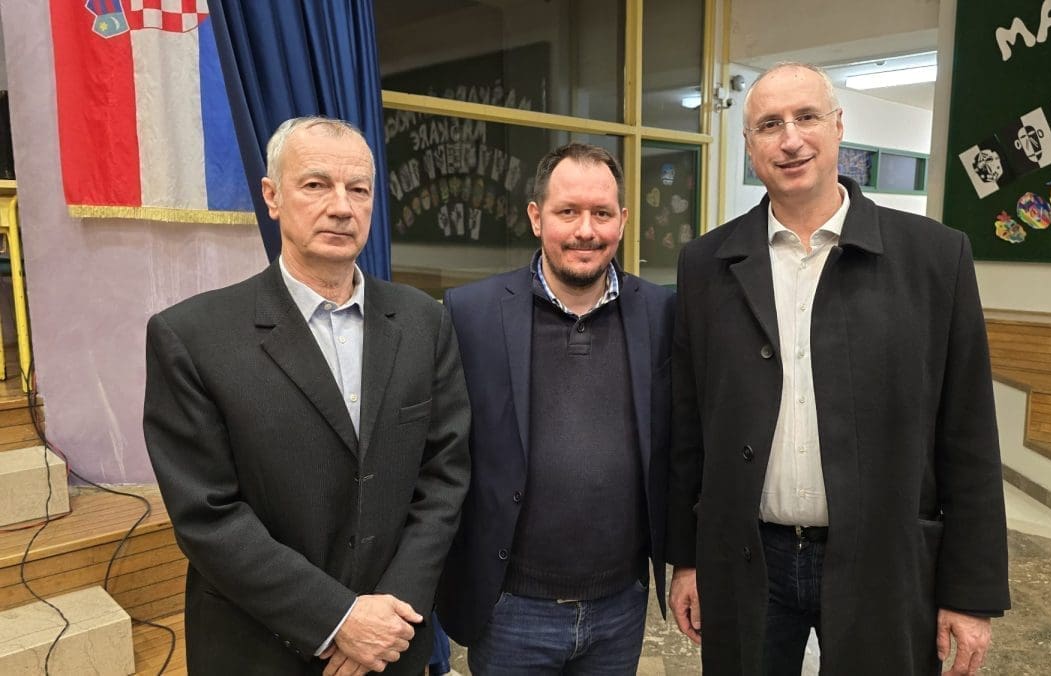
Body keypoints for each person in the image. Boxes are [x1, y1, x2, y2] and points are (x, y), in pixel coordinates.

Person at [666, 63, 1010, 675]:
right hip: (748, 559)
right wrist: (686, 559)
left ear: (838, 126)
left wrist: (970, 593)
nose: (790, 140)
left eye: (807, 117)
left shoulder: (934, 257)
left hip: (884, 560)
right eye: (769, 125)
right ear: (749, 145)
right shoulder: (705, 264)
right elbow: (689, 426)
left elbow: (969, 435)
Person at [143, 116, 471, 676]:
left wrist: (389, 615)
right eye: (316, 184)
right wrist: (338, 620)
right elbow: (207, 515)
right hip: (262, 649)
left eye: (358, 189)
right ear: (272, 196)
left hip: (393, 641)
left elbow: (444, 478)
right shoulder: (192, 337)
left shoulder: (425, 322)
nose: (342, 207)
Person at [435, 143, 675, 675]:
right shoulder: (471, 314)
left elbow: (681, 444)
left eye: (602, 213)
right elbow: (442, 457)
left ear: (623, 220)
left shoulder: (662, 312)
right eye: (568, 212)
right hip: (512, 608)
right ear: (536, 217)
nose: (585, 230)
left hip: (621, 606)